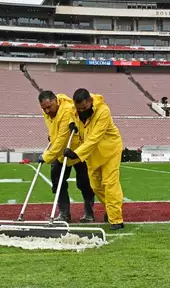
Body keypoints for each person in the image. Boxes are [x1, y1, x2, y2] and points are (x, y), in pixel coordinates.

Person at [63, 88, 125, 230]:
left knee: (110, 184)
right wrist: (72, 122)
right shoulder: (75, 110)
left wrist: (76, 154)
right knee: (96, 186)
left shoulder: (103, 111)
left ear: (90, 101)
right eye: (79, 109)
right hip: (92, 154)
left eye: (84, 108)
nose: (81, 111)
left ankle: (116, 220)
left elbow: (95, 138)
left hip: (109, 151)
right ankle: (111, 210)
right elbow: (72, 114)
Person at [37, 90, 95, 223]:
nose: (46, 111)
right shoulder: (47, 112)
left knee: (84, 183)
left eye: (49, 107)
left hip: (77, 150)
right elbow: (55, 132)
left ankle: (89, 213)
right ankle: (64, 213)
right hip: (60, 153)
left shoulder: (67, 110)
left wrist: (46, 157)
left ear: (55, 101)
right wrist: (51, 137)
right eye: (43, 108)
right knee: (57, 181)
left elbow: (62, 138)